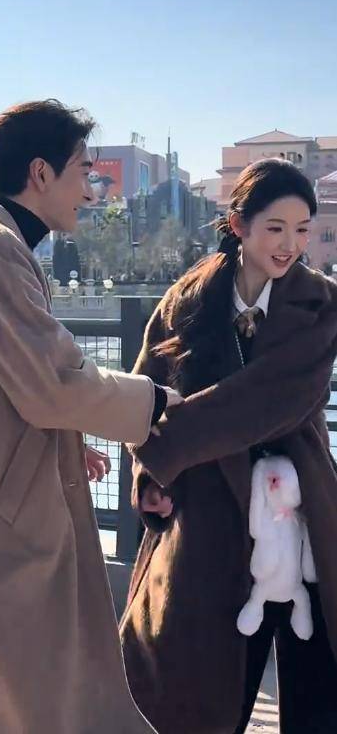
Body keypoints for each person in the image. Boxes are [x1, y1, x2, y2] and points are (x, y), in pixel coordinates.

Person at [0, 99, 180, 733]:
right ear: (41, 174)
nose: (90, 191)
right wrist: (152, 401)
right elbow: (53, 382)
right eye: (83, 171)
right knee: (17, 702)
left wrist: (62, 445)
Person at [120, 159, 337, 734]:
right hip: (210, 514)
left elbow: (270, 400)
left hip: (302, 515)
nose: (291, 245)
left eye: (302, 230)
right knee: (205, 687)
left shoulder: (321, 304)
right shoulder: (188, 300)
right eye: (275, 228)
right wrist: (149, 480)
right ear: (239, 225)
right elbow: (145, 394)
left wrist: (165, 450)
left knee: (315, 686)